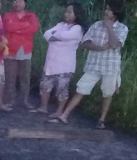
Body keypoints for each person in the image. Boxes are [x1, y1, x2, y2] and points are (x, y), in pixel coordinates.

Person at [48, 1, 127, 129]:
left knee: (107, 93)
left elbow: (115, 45)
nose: (106, 12)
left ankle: (101, 120)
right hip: (93, 64)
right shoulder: (96, 25)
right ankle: (64, 116)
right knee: (81, 89)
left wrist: (109, 28)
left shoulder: (122, 28)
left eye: (109, 10)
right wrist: (99, 48)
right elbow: (85, 43)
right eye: (106, 9)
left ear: (115, 13)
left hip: (111, 67)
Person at [33, 3, 83, 117]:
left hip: (65, 65)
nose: (67, 14)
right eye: (66, 12)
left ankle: (59, 111)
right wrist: (57, 36)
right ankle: (43, 107)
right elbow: (46, 34)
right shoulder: (61, 24)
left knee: (62, 90)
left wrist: (55, 36)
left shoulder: (78, 29)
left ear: (77, 14)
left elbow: (63, 36)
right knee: (45, 85)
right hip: (51, 62)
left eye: (70, 12)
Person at [2, 0, 38, 109]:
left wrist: (16, 28)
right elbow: (8, 27)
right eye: (15, 1)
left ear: (25, 3)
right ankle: (9, 100)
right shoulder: (7, 15)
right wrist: (24, 27)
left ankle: (24, 100)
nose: (17, 3)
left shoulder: (31, 15)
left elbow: (34, 28)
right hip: (11, 49)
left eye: (20, 1)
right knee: (10, 76)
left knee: (25, 77)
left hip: (25, 49)